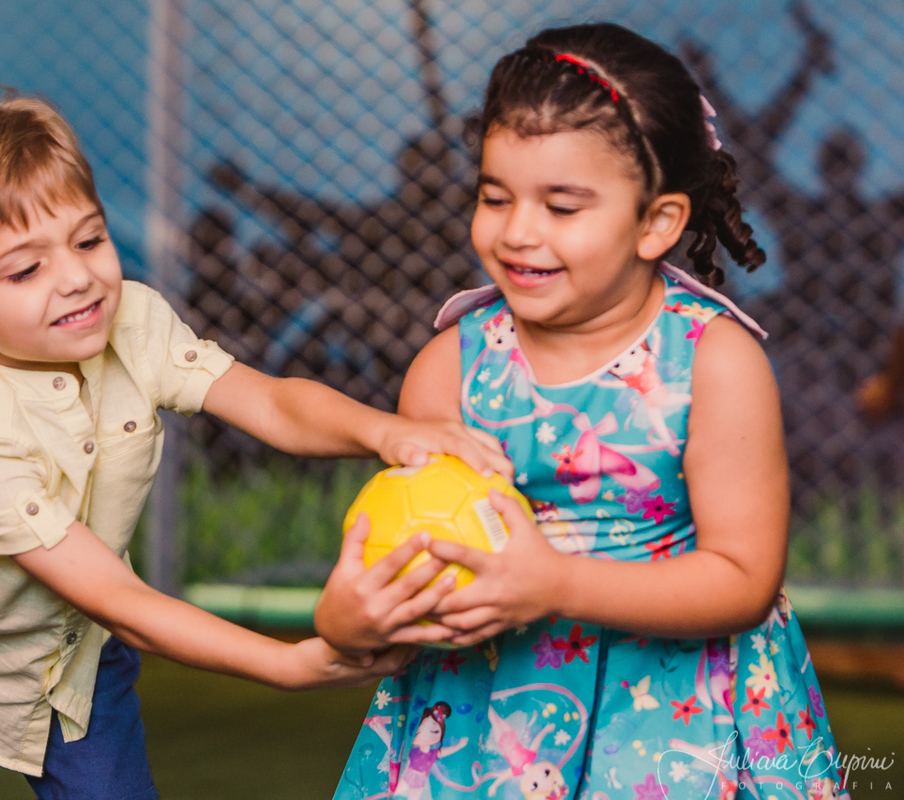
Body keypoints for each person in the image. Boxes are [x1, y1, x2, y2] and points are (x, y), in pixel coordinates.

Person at [0, 93, 510, 799]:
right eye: (26, 270)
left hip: (70, 657)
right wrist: (289, 663)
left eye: (89, 240)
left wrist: (386, 431)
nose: (77, 277)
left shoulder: (132, 319)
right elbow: (120, 600)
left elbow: (270, 401)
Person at [317, 24, 848, 800]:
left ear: (656, 223)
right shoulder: (450, 371)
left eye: (561, 206)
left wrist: (556, 584)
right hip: (485, 731)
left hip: (676, 728)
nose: (517, 231)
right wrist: (350, 619)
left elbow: (744, 579)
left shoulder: (713, 363)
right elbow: (411, 568)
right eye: (495, 197)